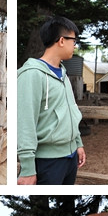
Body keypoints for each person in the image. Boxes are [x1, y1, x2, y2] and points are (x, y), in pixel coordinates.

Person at [17, 16, 86, 185]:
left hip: (70, 159)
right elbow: (25, 122)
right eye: (73, 41)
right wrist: (27, 168)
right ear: (61, 40)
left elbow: (71, 110)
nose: (75, 46)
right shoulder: (31, 74)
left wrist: (78, 143)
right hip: (47, 161)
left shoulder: (63, 74)